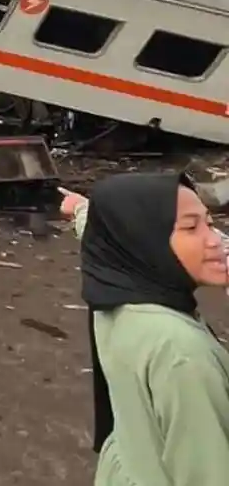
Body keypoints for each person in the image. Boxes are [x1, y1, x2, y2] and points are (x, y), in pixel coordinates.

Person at [64, 172, 229, 485]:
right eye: (191, 227)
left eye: (210, 223)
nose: (215, 240)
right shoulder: (183, 355)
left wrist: (78, 208)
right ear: (145, 239)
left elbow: (100, 228)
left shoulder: (113, 285)